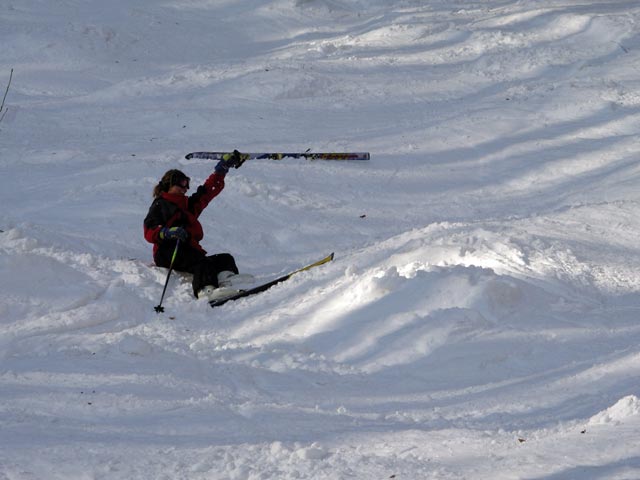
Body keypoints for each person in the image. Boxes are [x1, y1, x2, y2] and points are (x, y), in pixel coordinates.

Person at [144, 150, 247, 299]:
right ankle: (205, 290)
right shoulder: (161, 204)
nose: (185, 188)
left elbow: (206, 193)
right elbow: (149, 229)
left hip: (185, 249)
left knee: (225, 259)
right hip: (168, 251)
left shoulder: (186, 206)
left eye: (187, 184)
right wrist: (167, 232)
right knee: (201, 262)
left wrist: (221, 170)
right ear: (169, 185)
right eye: (181, 183)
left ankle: (226, 280)